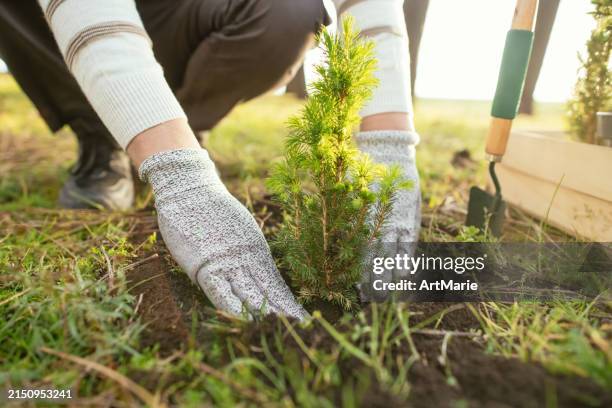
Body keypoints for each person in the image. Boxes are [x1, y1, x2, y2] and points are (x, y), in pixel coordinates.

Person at [1, 0, 421, 318]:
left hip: (192, 13)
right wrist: (179, 174)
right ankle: (107, 134)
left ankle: (179, 125)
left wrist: (390, 149)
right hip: (59, 25)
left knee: (292, 7)